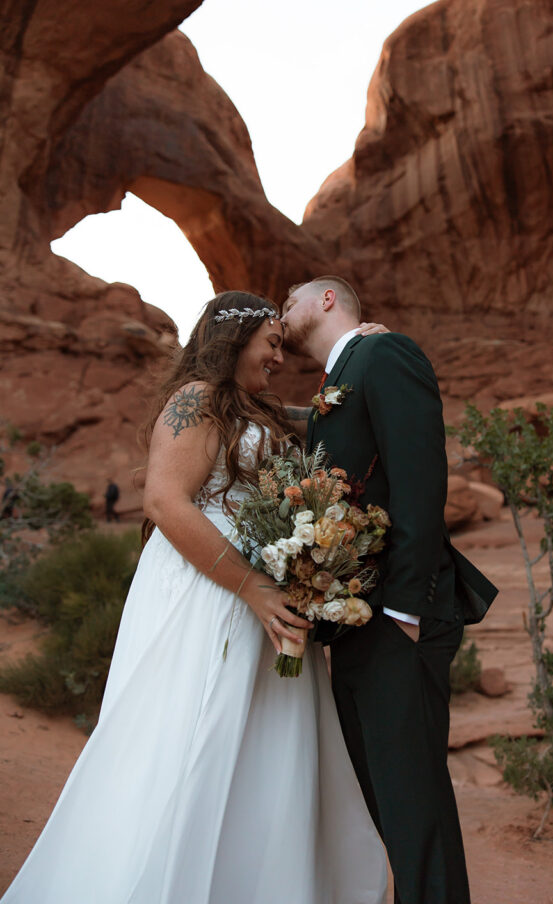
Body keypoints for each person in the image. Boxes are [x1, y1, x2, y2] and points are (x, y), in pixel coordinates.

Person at [1, 291, 387, 904]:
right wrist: (255, 589)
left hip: (258, 594)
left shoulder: (253, 408)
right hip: (208, 592)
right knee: (194, 734)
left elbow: (324, 413)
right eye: (272, 343)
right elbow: (164, 501)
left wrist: (360, 352)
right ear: (235, 341)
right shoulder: (195, 400)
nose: (278, 357)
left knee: (262, 743)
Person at [281, 276, 498, 904]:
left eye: (290, 298)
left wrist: (404, 611)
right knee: (386, 800)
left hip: (398, 620)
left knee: (413, 806)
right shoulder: (336, 380)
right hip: (356, 622)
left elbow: (421, 480)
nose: (281, 311)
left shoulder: (384, 354)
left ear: (327, 300)